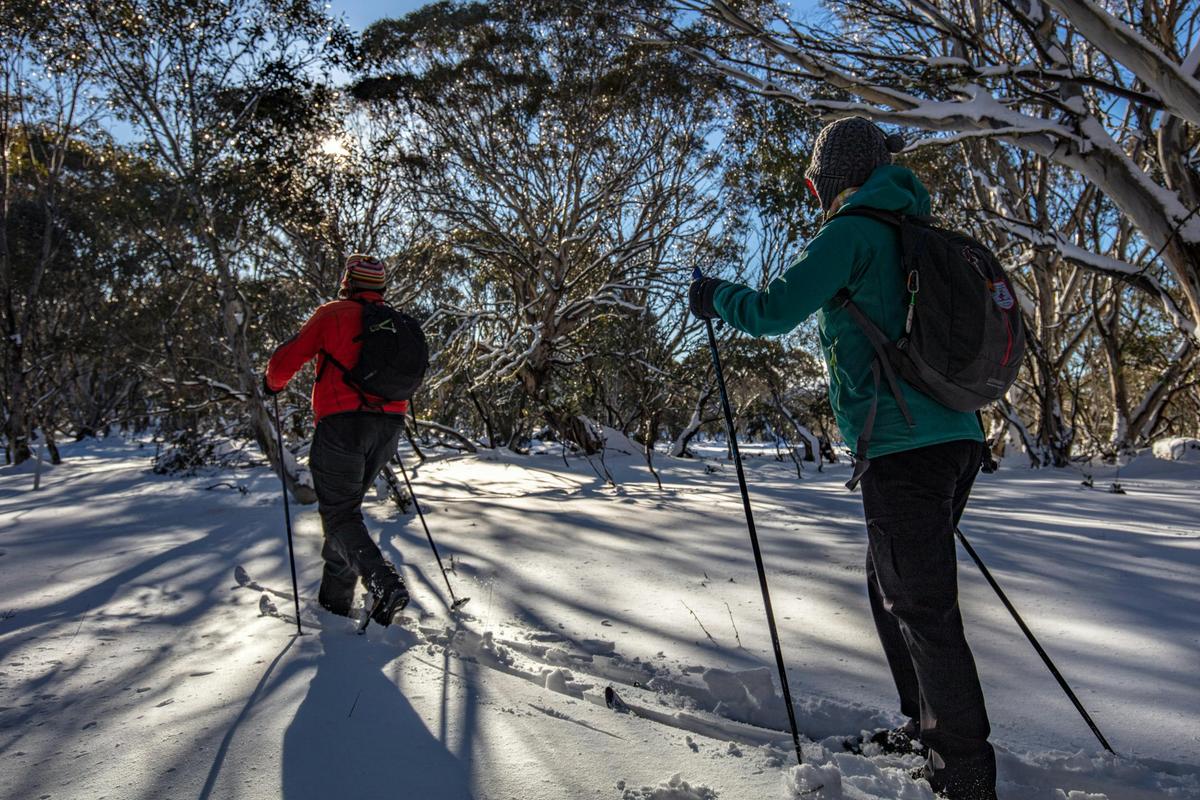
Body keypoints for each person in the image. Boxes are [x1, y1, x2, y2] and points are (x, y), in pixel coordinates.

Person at [690, 117, 997, 800]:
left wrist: (715, 297)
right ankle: (924, 728)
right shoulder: (916, 230)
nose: (814, 197)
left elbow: (772, 312)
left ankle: (965, 774)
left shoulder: (851, 232)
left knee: (921, 606)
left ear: (828, 180)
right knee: (893, 591)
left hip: (905, 448)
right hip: (956, 438)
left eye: (814, 185)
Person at [263, 254, 411, 628]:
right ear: (381, 287)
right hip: (388, 428)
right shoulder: (396, 322)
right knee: (344, 515)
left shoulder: (333, 314)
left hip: (342, 428)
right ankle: (334, 607)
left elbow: (284, 362)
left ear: (347, 283)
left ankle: (383, 583)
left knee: (339, 515)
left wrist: (271, 384)